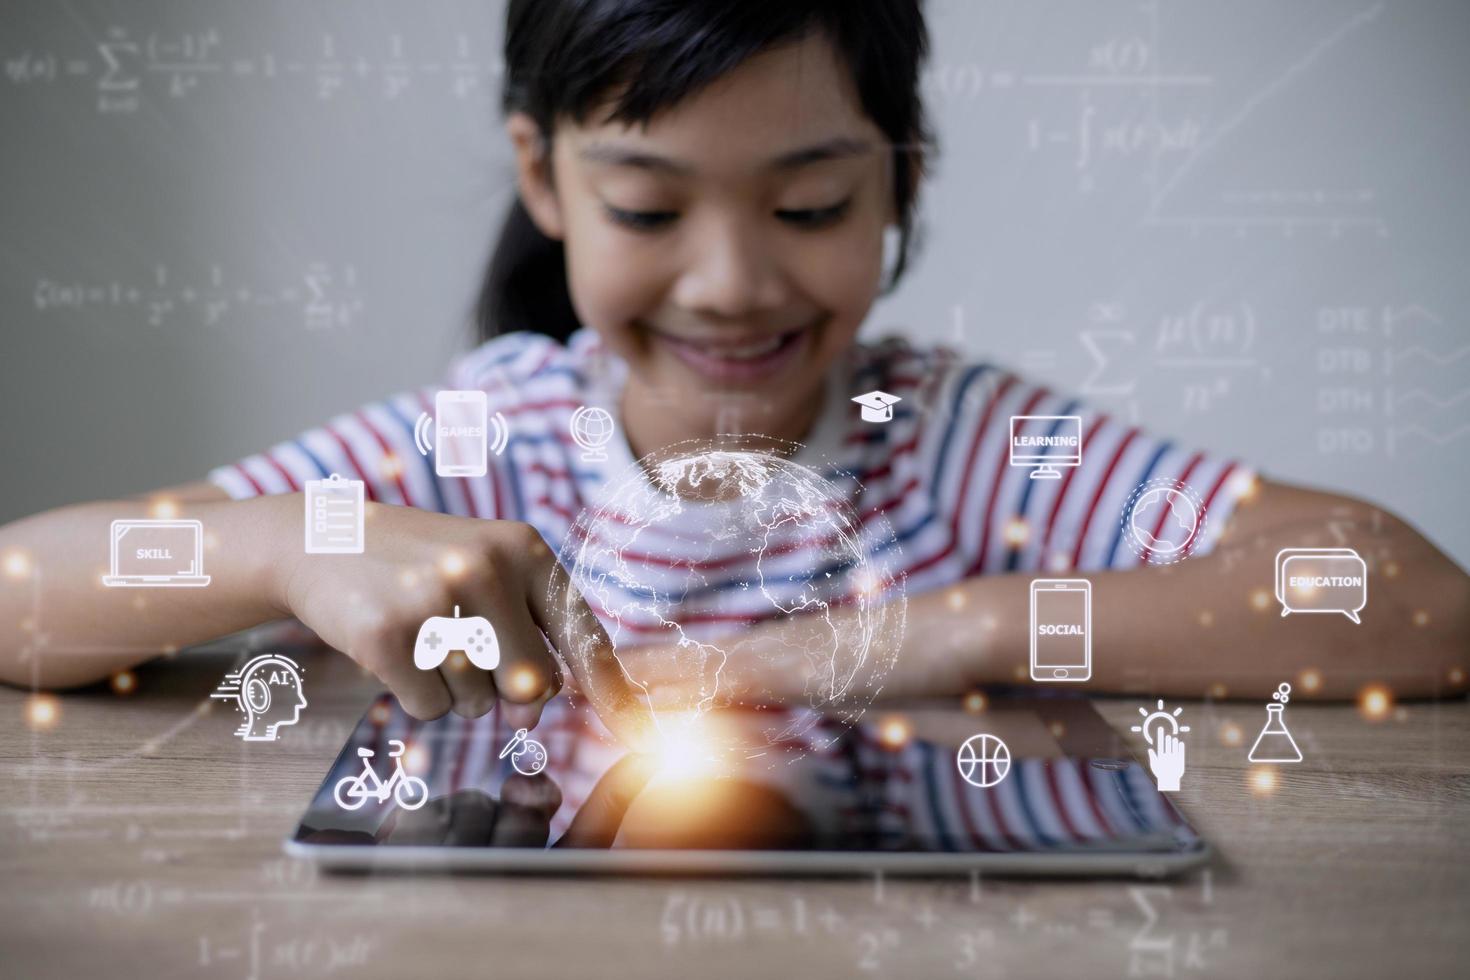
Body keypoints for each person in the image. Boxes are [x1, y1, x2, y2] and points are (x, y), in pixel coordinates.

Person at [1, 0, 1465, 742]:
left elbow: (1414, 606)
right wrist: (286, 547)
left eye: (810, 206)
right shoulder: (479, 444)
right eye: (647, 207)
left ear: (897, 184)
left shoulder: (949, 441)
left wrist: (934, 633)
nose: (729, 283)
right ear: (544, 177)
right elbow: (22, 599)